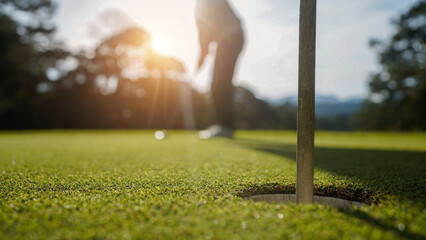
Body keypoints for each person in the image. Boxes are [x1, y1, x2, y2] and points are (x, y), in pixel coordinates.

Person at [195, 0, 245, 139]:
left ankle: (224, 127)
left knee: (220, 82)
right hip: (230, 37)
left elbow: (206, 32)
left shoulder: (203, 4)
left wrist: (202, 55)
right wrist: (203, 55)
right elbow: (206, 32)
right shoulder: (200, 5)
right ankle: (223, 125)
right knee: (218, 82)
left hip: (231, 37)